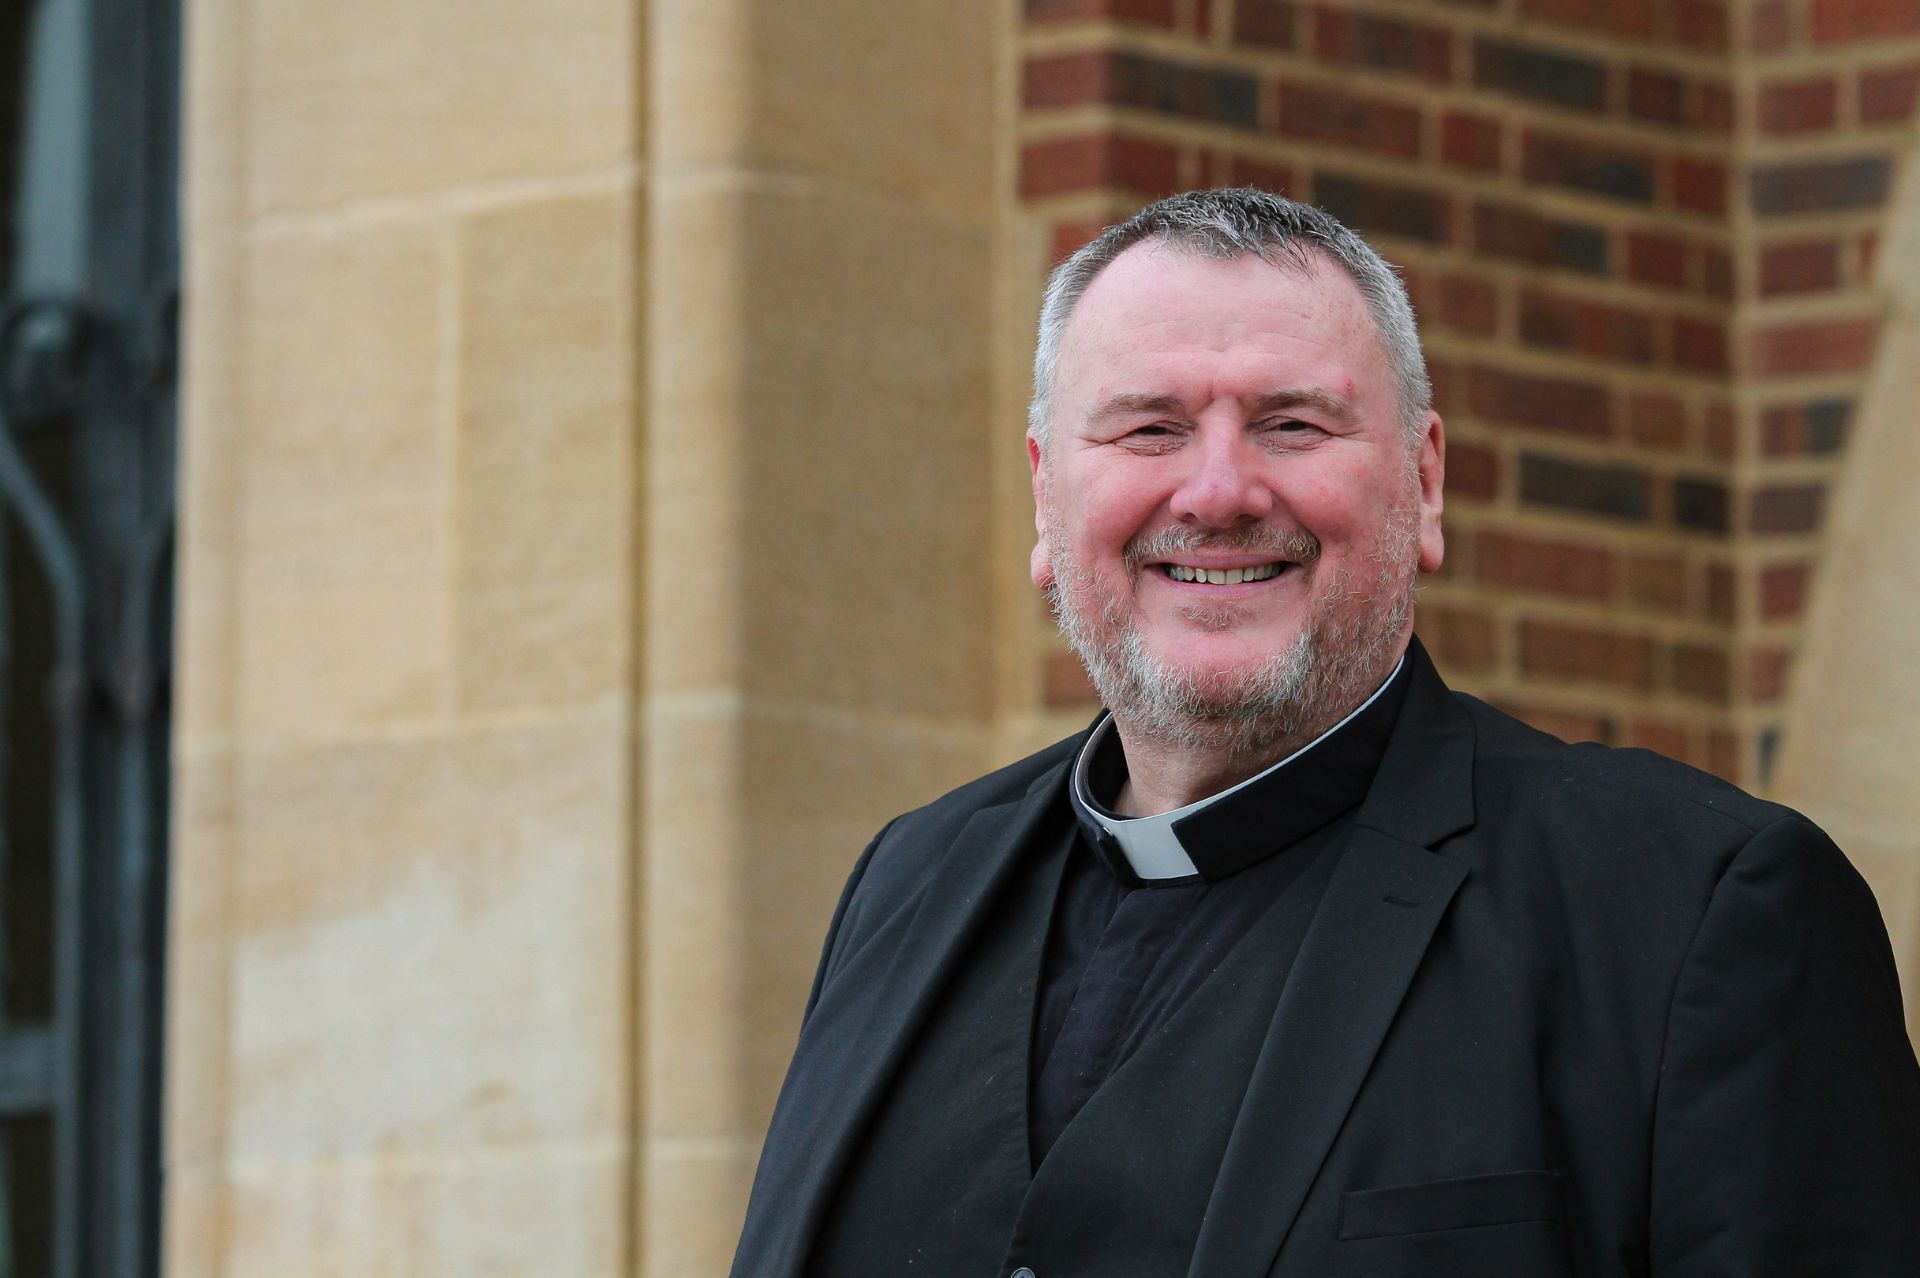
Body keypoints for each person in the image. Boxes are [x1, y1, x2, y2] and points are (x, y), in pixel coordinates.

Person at [728, 189, 1920, 1277]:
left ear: (1425, 481)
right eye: (1147, 429)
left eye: (1293, 423)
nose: (1217, 491)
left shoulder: (1693, 911)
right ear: (1048, 495)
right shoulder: (909, 881)